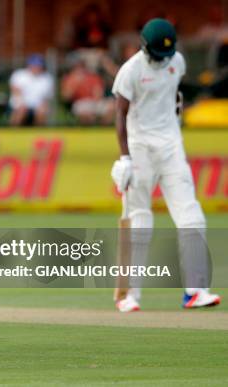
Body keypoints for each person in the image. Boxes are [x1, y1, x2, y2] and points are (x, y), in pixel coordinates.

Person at [110, 18, 221, 312]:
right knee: (140, 219)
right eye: (158, 55)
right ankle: (128, 295)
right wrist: (125, 157)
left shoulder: (177, 62)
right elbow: (119, 115)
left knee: (192, 215)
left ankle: (195, 291)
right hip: (139, 146)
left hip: (171, 146)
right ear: (145, 48)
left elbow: (172, 96)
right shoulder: (130, 71)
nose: (163, 61)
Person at [60, 57, 113, 125]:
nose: (80, 68)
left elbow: (99, 94)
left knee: (110, 107)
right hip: (79, 103)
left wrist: (95, 100)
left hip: (94, 102)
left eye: (82, 66)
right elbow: (65, 97)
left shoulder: (93, 77)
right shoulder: (70, 78)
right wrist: (75, 83)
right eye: (78, 66)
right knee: (85, 113)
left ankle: (103, 131)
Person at [8, 54, 53, 126]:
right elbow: (15, 91)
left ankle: (38, 134)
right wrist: (22, 103)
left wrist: (43, 105)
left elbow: (46, 98)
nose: (36, 68)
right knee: (21, 110)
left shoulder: (47, 78)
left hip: (37, 105)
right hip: (20, 102)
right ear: (29, 65)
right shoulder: (19, 74)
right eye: (34, 65)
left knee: (42, 111)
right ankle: (13, 132)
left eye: (38, 65)